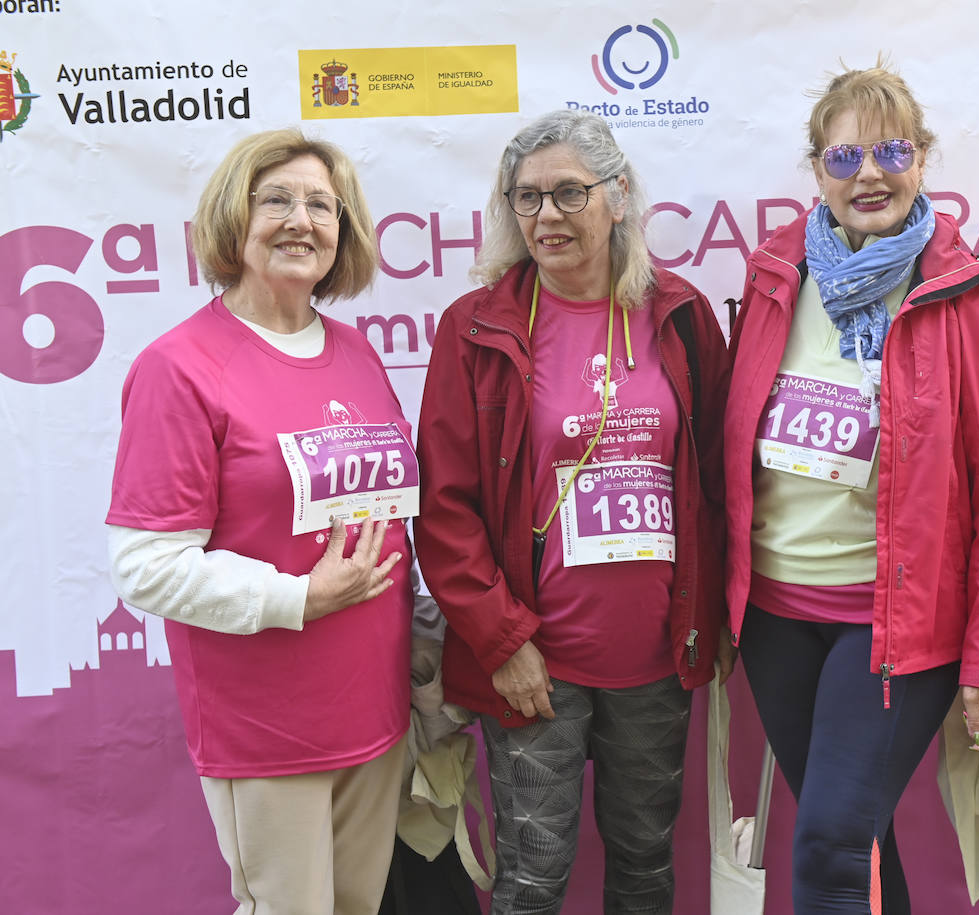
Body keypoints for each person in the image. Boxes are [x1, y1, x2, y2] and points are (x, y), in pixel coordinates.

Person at [721, 63, 979, 913]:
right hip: (777, 620)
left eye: (892, 150)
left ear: (924, 160)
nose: (870, 173)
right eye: (845, 155)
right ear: (816, 169)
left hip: (895, 622)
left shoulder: (968, 297)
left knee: (826, 843)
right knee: (856, 840)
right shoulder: (774, 278)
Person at [414, 109, 731, 915]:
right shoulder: (475, 328)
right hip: (533, 665)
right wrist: (502, 640)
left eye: (567, 193)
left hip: (658, 656)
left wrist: (715, 618)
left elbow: (718, 483)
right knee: (531, 880)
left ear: (618, 196)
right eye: (526, 199)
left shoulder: (682, 316)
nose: (546, 216)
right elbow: (444, 509)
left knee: (645, 865)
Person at [106, 128, 416, 915]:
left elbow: (388, 520)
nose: (299, 220)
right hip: (269, 729)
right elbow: (146, 564)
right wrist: (297, 597)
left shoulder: (357, 353)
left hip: (374, 711)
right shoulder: (179, 368)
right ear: (231, 220)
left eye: (321, 204)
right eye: (274, 199)